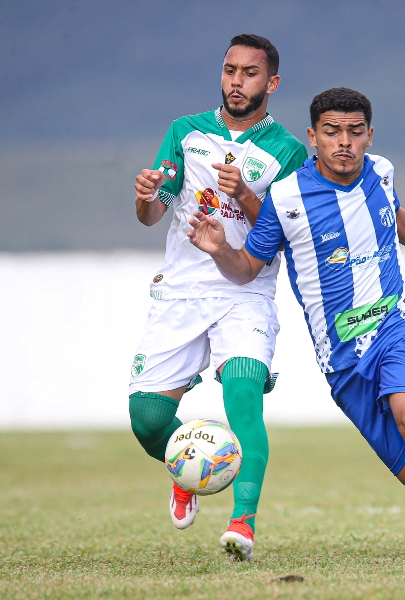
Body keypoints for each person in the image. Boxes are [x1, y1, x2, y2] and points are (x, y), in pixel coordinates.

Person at [187, 88, 405, 564]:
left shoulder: (382, 170)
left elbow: (393, 215)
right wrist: (220, 251)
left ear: (369, 136)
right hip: (342, 357)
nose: (344, 143)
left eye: (355, 132)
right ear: (313, 137)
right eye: (332, 132)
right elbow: (249, 267)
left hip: (397, 321)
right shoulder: (286, 197)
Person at [129, 34, 307, 561]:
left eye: (249, 73)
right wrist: (143, 198)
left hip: (244, 292)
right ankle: (189, 467)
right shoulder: (185, 133)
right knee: (146, 419)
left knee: (244, 397)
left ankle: (243, 525)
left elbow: (282, 237)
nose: (236, 81)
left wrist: (246, 196)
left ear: (270, 83)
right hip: (180, 292)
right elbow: (154, 212)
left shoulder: (287, 151)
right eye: (230, 70)